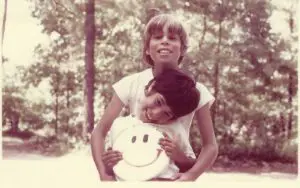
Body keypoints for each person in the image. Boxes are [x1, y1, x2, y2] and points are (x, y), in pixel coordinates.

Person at [91, 13, 218, 181]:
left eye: (172, 38)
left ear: (183, 49)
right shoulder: (131, 83)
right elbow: (99, 132)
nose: (165, 41)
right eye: (158, 37)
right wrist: (104, 173)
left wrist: (191, 175)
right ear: (147, 48)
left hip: (168, 174)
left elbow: (210, 146)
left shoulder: (196, 92)